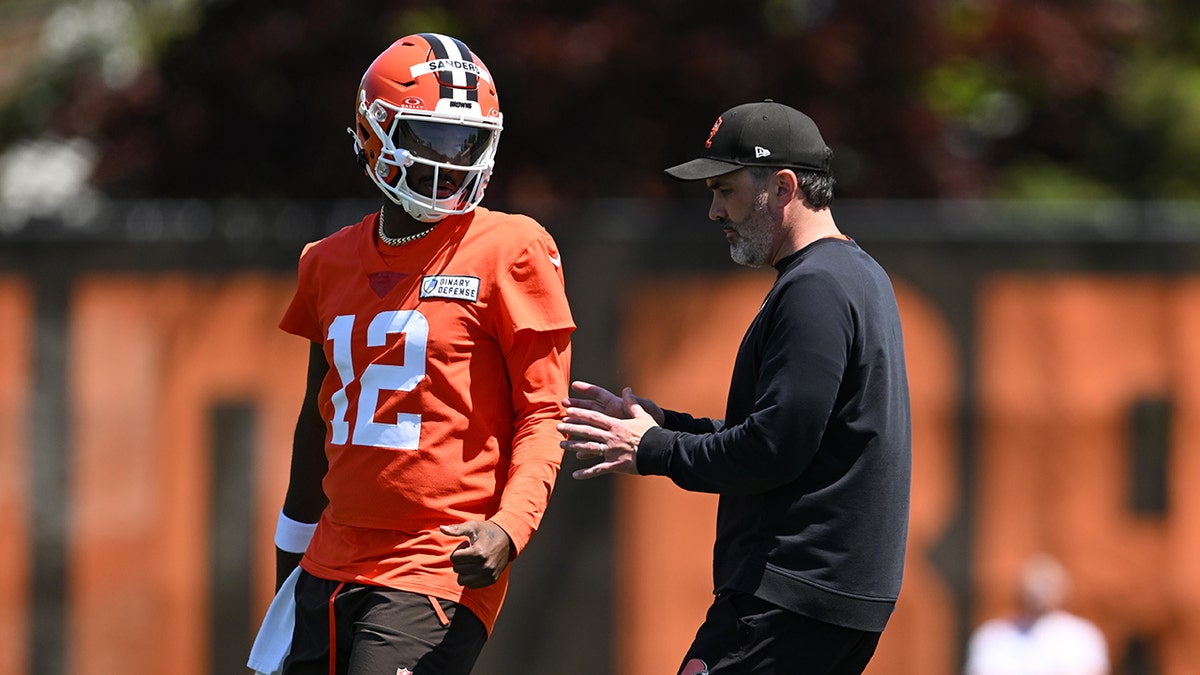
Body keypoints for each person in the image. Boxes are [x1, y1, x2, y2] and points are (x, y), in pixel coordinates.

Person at [253, 33, 574, 675]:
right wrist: (292, 549)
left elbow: (543, 414)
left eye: (466, 143)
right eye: (431, 139)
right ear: (373, 134)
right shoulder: (326, 260)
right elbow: (318, 416)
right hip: (330, 557)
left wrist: (508, 528)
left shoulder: (512, 246)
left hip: (438, 561)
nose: (451, 162)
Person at [558, 100, 912, 674]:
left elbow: (774, 448)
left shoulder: (816, 286)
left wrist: (652, 450)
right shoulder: (855, 274)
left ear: (784, 185)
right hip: (823, 599)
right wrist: (664, 424)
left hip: (789, 594)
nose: (714, 210)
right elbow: (798, 436)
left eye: (725, 189)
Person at [964, 554, 1110, 675]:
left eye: (1046, 584)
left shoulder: (1082, 635)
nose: (1039, 592)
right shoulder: (993, 636)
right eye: (1035, 584)